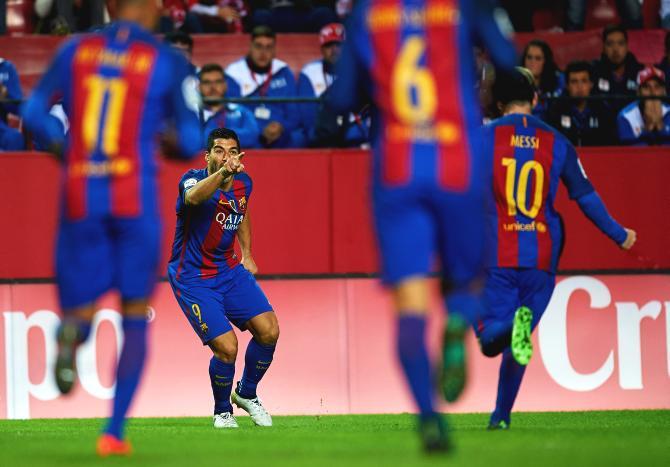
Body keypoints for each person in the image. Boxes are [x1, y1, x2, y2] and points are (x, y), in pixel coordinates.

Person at [326, 0, 517, 452]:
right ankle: (456, 321)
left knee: (409, 301)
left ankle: (430, 420)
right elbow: (509, 63)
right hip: (457, 161)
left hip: (397, 168)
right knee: (463, 285)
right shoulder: (463, 7)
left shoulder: (368, 13)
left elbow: (342, 97)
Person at [20, 0, 202, 456]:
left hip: (82, 193)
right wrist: (166, 137)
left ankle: (71, 335)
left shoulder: (74, 51)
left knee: (80, 309)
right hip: (133, 196)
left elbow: (34, 112)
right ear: (150, 6)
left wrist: (65, 149)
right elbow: (193, 140)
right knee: (135, 314)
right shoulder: (167, 60)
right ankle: (113, 433)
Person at [477, 67, 636, 430]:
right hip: (542, 260)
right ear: (535, 99)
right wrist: (619, 233)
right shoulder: (557, 141)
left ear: (498, 102)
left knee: (490, 339)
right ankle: (501, 416)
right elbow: (585, 196)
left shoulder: (482, 139)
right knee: (520, 339)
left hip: (495, 255)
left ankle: (503, 401)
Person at [168, 127, 279, 429]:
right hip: (192, 278)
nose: (226, 157)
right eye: (219, 151)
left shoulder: (244, 183)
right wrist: (222, 175)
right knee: (227, 348)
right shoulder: (191, 180)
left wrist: (248, 252)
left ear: (240, 155)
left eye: (232, 152)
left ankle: (246, 393)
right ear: (207, 156)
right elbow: (192, 199)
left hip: (227, 271)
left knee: (269, 330)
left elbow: (241, 212)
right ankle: (222, 413)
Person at [295, 22, 369, 147]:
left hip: (353, 130)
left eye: (338, 45)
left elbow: (364, 109)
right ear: (321, 49)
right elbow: (307, 114)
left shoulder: (358, 71)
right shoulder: (309, 72)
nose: (334, 50)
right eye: (329, 45)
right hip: (323, 132)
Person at [225, 26, 299, 148]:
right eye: (258, 46)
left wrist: (282, 127)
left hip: (280, 132)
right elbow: (234, 116)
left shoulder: (283, 71)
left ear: (274, 50)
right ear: (250, 47)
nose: (263, 53)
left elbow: (294, 112)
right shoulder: (234, 73)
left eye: (268, 47)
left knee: (297, 138)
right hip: (250, 133)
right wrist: (260, 129)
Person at [545, 60, 614, 146]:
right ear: (567, 86)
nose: (579, 86)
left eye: (584, 81)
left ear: (591, 84)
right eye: (574, 82)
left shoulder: (603, 112)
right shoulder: (555, 112)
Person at [199, 63, 260, 148]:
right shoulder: (193, 114)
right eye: (207, 82)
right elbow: (193, 140)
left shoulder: (242, 112)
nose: (213, 87)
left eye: (218, 82)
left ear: (225, 85)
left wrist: (212, 135)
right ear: (199, 87)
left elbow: (252, 136)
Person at [592, 24, 643, 113]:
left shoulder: (640, 72)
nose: (615, 49)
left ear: (627, 47)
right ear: (603, 48)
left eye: (620, 43)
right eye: (610, 44)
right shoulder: (594, 72)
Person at [617, 66, 670, 146]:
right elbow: (630, 153)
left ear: (664, 91)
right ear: (638, 92)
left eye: (657, 87)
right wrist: (648, 127)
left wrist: (660, 126)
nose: (652, 92)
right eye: (646, 87)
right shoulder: (625, 117)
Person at [520, 40, 564, 120]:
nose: (532, 62)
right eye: (529, 57)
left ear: (546, 62)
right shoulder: (515, 83)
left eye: (538, 58)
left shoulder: (559, 80)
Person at [0, 57, 24, 150]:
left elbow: (18, 109)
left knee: (14, 139)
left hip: (1, 130)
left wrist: (4, 96)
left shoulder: (6, 68)